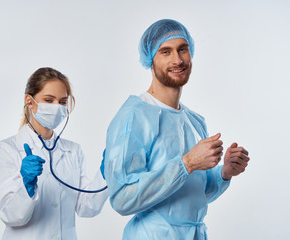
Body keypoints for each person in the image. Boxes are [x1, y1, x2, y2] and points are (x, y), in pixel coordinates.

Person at [103, 19, 250, 239]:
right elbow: (123, 198)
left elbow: (193, 194)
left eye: (183, 49)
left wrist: (225, 172)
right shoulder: (134, 116)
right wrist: (187, 163)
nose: (178, 60)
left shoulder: (194, 121)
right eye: (165, 52)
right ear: (150, 60)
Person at [0, 67, 108, 240]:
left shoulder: (73, 151)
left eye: (62, 102)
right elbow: (11, 217)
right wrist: (27, 187)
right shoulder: (6, 149)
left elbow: (86, 207)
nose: (57, 107)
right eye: (48, 100)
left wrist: (107, 171)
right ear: (29, 101)